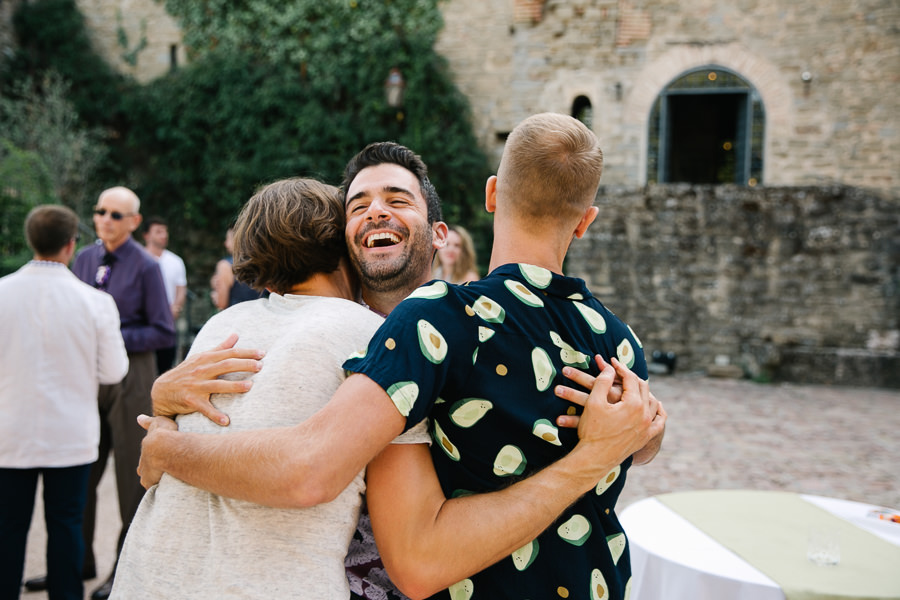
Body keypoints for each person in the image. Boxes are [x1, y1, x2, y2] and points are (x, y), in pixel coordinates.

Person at [139, 134, 665, 599]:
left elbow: (310, 470)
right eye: (357, 205)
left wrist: (641, 434)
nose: (376, 212)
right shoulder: (304, 330)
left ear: (442, 233)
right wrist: (163, 399)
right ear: (339, 239)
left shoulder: (452, 323)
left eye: (397, 200)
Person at [111, 178, 431, 598]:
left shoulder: (221, 326)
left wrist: (164, 441)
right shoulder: (370, 334)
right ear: (341, 245)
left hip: (147, 577)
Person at [25, 187, 176, 600]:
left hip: (132, 374)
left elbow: (163, 330)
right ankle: (77, 563)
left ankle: (120, 568)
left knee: (131, 476)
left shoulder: (147, 266)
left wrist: (109, 334)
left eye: (115, 213)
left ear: (134, 222)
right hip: (88, 375)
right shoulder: (84, 258)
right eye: (100, 211)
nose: (105, 219)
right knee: (82, 471)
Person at [0, 205, 128, 600]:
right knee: (67, 525)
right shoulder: (95, 302)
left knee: (7, 529)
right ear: (71, 245)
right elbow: (114, 371)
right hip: (70, 434)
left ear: (30, 241)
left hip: (9, 431)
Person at [142, 216, 187, 372]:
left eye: (165, 231)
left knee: (165, 366)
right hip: (143, 323)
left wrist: (175, 308)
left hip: (167, 321)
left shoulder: (176, 261)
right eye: (158, 232)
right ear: (146, 235)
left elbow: (181, 289)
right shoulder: (138, 259)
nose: (164, 235)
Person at [210, 226, 264, 310]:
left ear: (237, 240)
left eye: (228, 239)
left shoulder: (225, 266)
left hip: (235, 318)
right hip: (259, 316)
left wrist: (216, 296)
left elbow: (222, 303)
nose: (225, 244)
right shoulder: (262, 263)